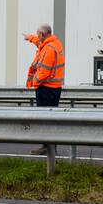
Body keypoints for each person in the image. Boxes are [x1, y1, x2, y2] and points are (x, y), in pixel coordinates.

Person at [24, 24, 65, 155]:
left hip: (46, 88)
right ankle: (49, 146)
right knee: (50, 118)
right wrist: (30, 38)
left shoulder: (48, 49)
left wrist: (35, 82)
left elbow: (44, 72)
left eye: (38, 34)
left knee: (45, 119)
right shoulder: (54, 43)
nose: (37, 37)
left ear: (43, 34)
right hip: (54, 88)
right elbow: (39, 43)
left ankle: (48, 147)